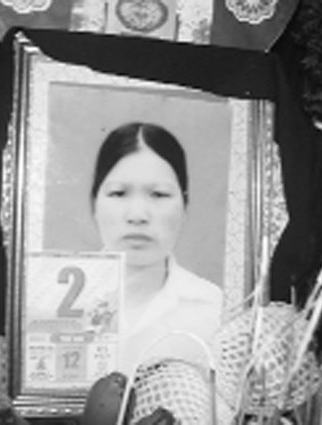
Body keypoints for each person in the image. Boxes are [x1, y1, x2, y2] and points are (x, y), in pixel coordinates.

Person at [90, 121, 223, 373]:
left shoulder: (216, 310)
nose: (138, 215)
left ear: (185, 206)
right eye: (118, 193)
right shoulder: (51, 301)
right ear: (93, 204)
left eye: (159, 194)